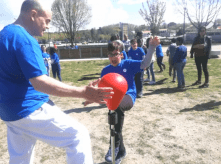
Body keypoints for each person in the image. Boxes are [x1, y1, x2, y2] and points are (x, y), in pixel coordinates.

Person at [0, 1, 113, 164]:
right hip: (28, 108)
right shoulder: (24, 39)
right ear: (33, 15)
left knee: (20, 159)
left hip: (9, 111)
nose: (47, 26)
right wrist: (82, 92)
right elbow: (40, 82)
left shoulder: (4, 34)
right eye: (47, 21)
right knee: (78, 136)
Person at [92, 37, 159, 164]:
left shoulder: (128, 64)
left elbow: (145, 64)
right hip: (113, 102)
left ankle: (114, 146)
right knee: (114, 124)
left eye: (115, 54)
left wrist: (152, 48)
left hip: (128, 97)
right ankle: (121, 151)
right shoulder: (105, 70)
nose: (113, 57)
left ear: (121, 55)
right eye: (110, 54)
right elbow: (103, 89)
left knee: (115, 112)